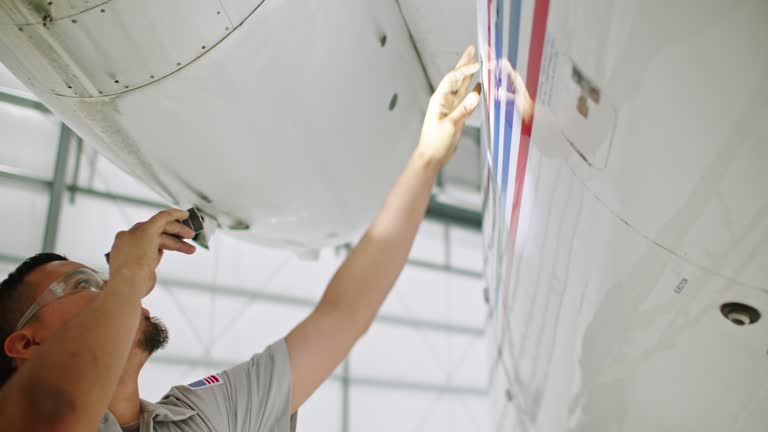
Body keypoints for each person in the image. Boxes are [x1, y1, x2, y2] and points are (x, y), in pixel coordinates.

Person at [0, 46, 482, 432]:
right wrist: (126, 275)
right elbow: (57, 413)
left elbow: (342, 316)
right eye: (83, 284)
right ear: (26, 343)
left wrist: (425, 158)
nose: (108, 288)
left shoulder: (201, 417)